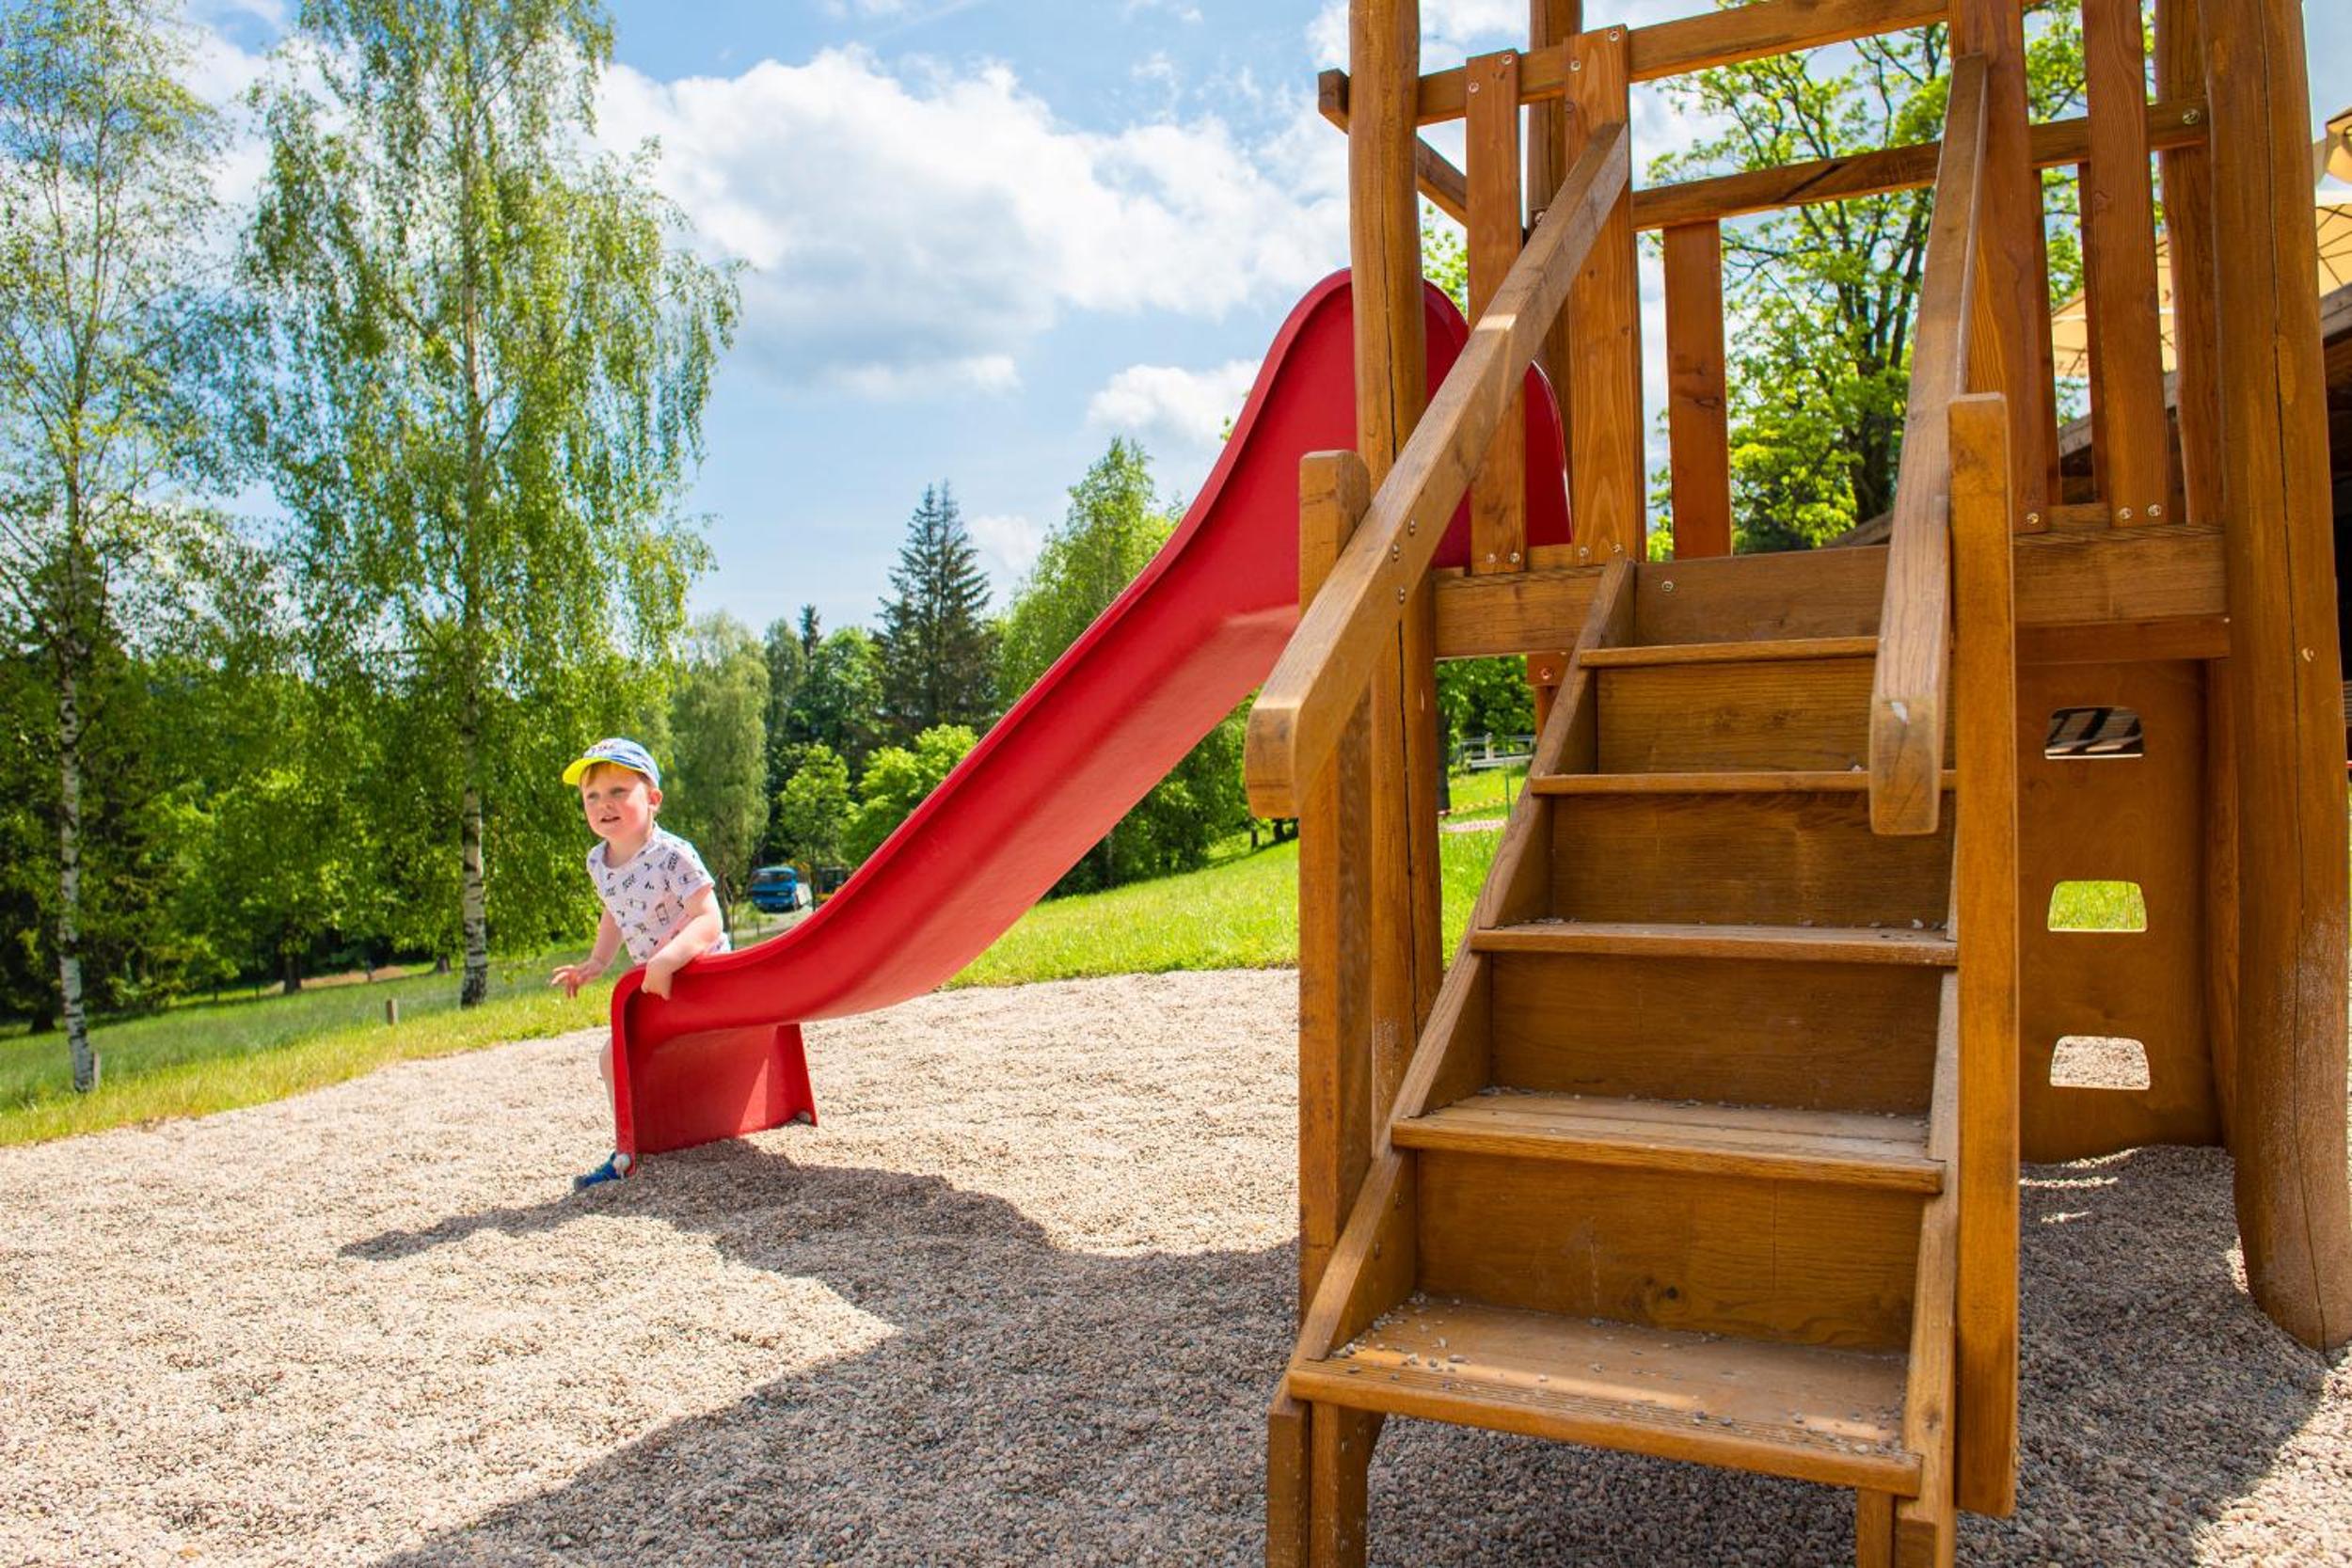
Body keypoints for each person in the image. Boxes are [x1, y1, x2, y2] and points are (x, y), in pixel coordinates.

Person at [549, 736, 729, 1190]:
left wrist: (669, 958)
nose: (603, 805)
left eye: (618, 791)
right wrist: (596, 961)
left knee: (635, 1054)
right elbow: (615, 911)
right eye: (592, 796)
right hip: (657, 981)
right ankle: (632, 1146)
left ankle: (647, 1142)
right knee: (614, 1057)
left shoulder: (671, 854)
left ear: (652, 799)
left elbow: (709, 918)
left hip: (703, 974)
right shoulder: (599, 861)